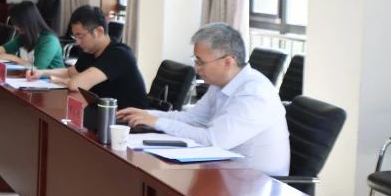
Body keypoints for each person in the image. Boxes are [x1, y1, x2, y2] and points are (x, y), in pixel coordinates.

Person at [116, 23, 290, 176]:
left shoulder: (255, 94)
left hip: (259, 183)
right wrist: (147, 114)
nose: (196, 68)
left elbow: (213, 141)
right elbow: (194, 119)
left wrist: (157, 122)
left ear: (228, 62)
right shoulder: (220, 83)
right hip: (227, 171)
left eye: (200, 62)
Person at [27, 5, 148, 109]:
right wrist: (41, 73)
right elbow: (69, 72)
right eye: (75, 37)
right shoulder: (89, 51)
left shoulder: (119, 54)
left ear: (99, 31)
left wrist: (62, 81)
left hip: (130, 120)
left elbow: (75, 84)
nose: (77, 42)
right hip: (102, 112)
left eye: (80, 36)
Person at [0, 1, 65, 69]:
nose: (16, 27)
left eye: (18, 24)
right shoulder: (25, 35)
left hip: (52, 82)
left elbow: (37, 68)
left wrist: (13, 58)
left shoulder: (50, 40)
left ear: (28, 22)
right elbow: (6, 48)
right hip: (32, 79)